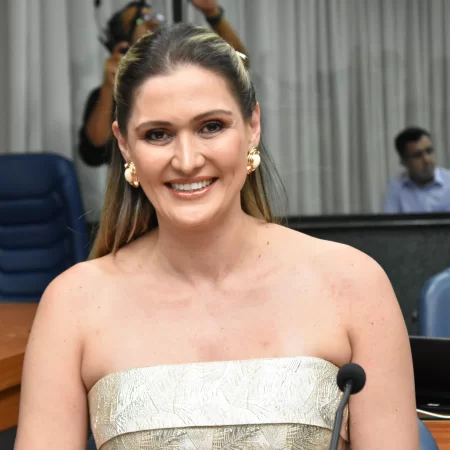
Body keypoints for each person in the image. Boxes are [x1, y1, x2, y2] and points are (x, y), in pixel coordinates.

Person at [15, 24, 418, 450]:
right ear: (125, 145)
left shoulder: (353, 283)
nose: (187, 160)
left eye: (210, 126)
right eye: (157, 134)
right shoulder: (73, 302)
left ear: (253, 126)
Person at [79, 0, 248, 167]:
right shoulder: (106, 96)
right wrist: (109, 86)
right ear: (122, 44)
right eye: (141, 19)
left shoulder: (182, 75)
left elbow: (239, 63)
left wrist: (213, 14)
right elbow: (95, 149)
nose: (153, 22)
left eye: (153, 16)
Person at [383, 126, 450, 213]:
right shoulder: (396, 188)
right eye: (417, 155)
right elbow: (389, 220)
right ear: (403, 161)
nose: (427, 160)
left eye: (429, 151)